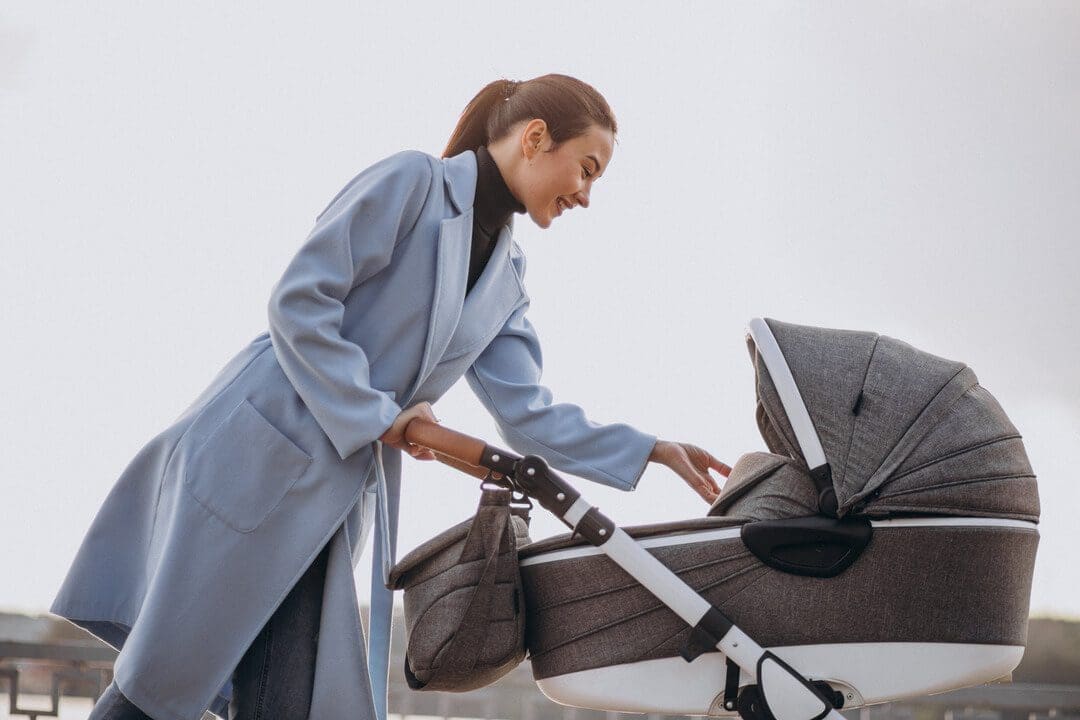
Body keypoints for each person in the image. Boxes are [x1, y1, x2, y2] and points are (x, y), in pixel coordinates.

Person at [54, 74, 729, 720]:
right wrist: (388, 419)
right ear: (534, 137)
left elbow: (529, 413)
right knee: (161, 686)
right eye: (587, 167)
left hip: (326, 505)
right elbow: (300, 301)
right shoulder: (412, 183)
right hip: (257, 455)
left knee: (281, 698)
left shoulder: (508, 280)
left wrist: (652, 451)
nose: (586, 193)